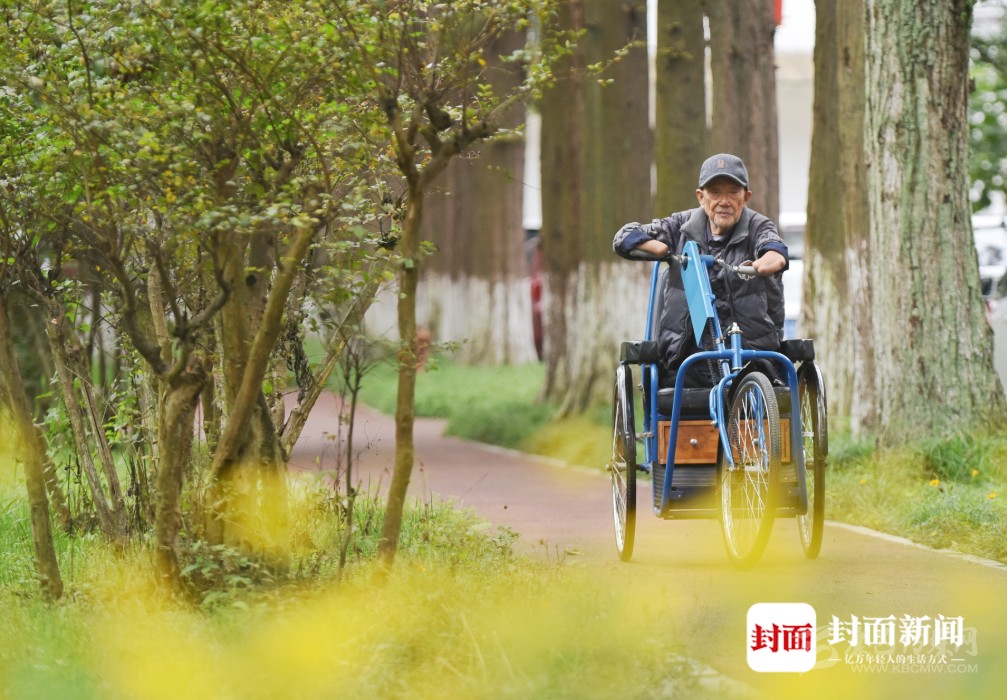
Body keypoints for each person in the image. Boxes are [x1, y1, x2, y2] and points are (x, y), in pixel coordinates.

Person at [613, 153, 788, 386]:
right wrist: (658, 247)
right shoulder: (680, 226)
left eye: (733, 192)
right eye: (715, 192)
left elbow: (774, 248)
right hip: (688, 358)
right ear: (701, 197)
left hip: (750, 356)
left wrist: (766, 261)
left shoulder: (759, 226)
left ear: (745, 197)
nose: (724, 201)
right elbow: (623, 237)